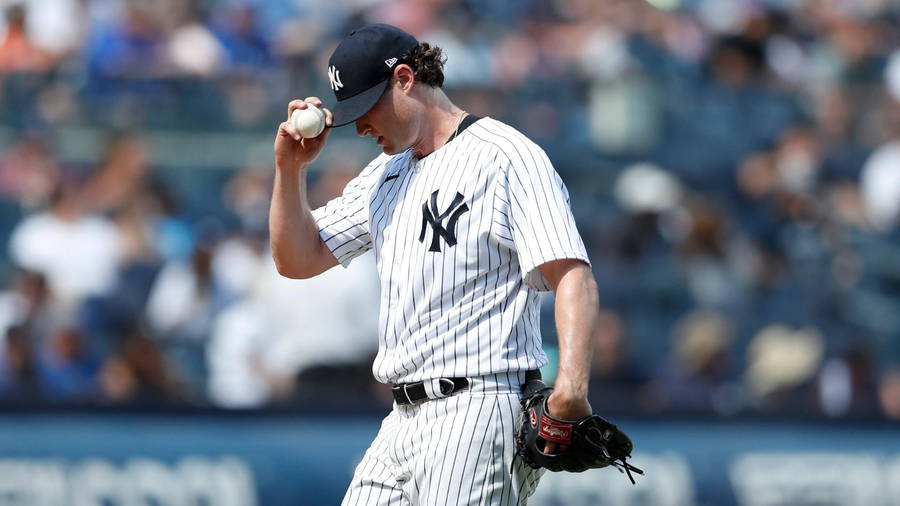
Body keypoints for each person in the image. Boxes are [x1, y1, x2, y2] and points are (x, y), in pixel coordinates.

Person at [270, 23, 600, 505]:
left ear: (405, 78)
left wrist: (570, 388)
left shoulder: (506, 156)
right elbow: (297, 259)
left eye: (366, 108)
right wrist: (290, 169)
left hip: (479, 405)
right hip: (400, 418)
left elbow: (571, 274)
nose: (360, 127)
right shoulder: (385, 173)